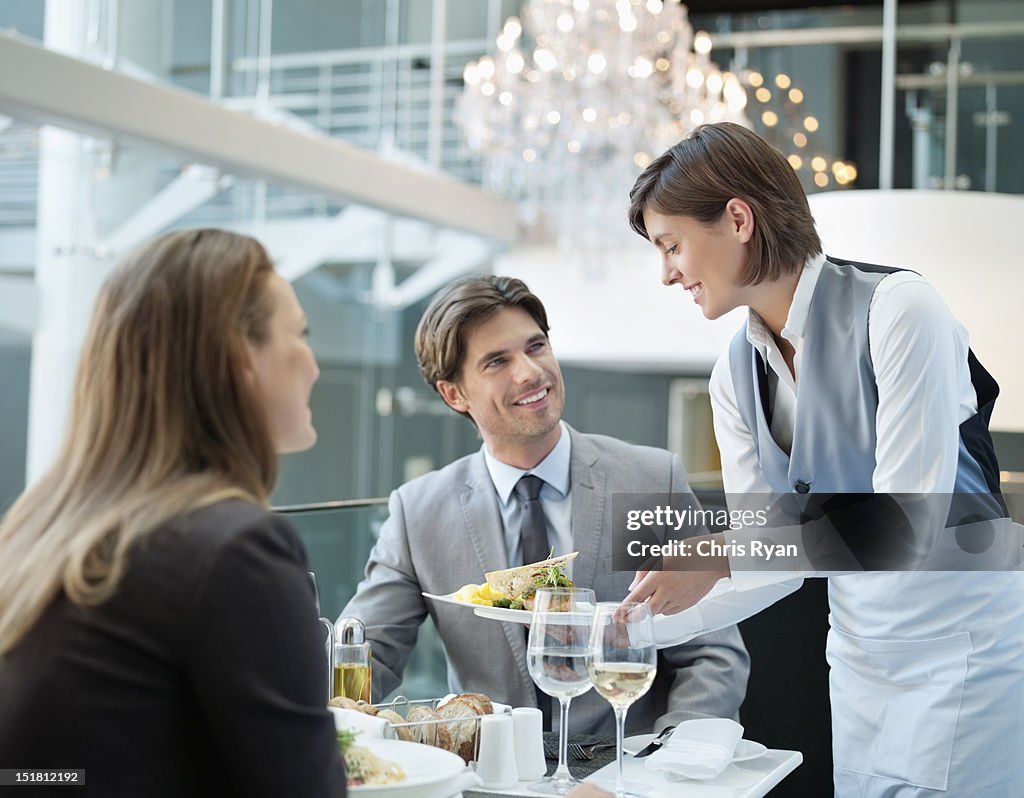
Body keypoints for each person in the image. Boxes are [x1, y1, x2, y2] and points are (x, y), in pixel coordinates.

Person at [624, 122, 1024, 796]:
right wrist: (633, 622)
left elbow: (904, 529)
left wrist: (720, 554)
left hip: (963, 650)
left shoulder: (900, 311)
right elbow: (769, 554)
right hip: (861, 657)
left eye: (671, 246)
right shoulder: (736, 372)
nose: (667, 273)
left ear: (738, 219)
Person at [0, 229, 346, 797]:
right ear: (241, 358)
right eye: (301, 333)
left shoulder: (48, 531)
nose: (312, 364)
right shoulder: (234, 550)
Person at [340, 274, 749, 737]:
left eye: (536, 347)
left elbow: (712, 654)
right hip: (489, 779)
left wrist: (669, 765)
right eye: (497, 361)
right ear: (454, 394)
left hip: (625, 776)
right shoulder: (418, 513)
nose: (530, 372)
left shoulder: (651, 480)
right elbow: (364, 656)